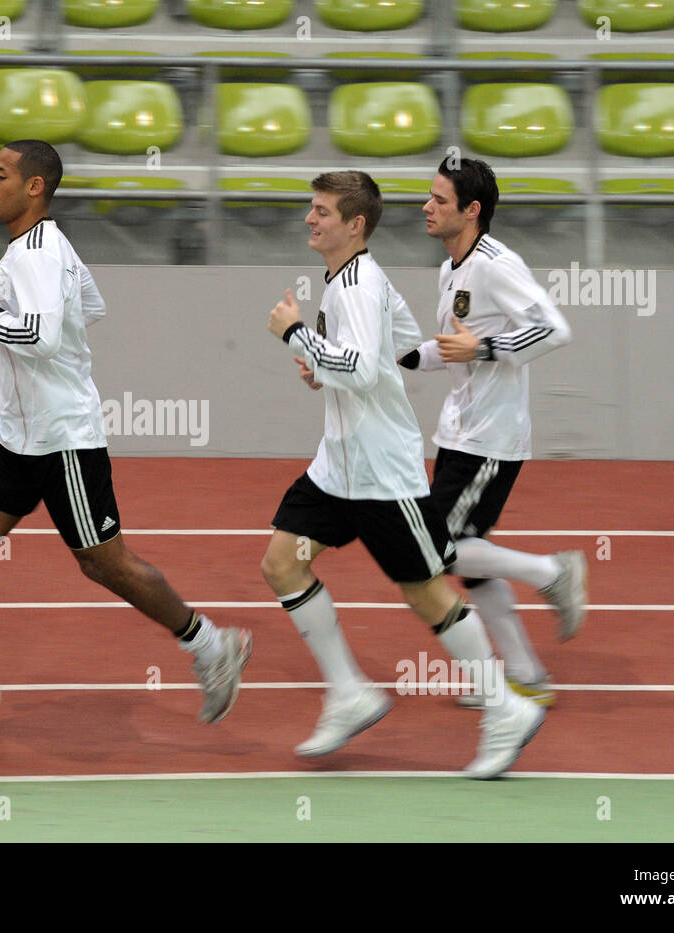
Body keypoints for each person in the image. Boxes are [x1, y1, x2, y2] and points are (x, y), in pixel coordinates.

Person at [0, 140, 252, 736]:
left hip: (62, 435)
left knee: (104, 563)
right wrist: (11, 333)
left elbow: (50, 337)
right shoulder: (41, 247)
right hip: (13, 430)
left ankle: (210, 644)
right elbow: (88, 309)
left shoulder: (39, 253)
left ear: (34, 187)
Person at [259, 170, 544, 779]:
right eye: (311, 210)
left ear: (355, 225)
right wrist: (325, 367)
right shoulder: (349, 280)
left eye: (322, 212)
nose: (310, 219)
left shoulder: (358, 285)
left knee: (428, 593)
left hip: (383, 473)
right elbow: (398, 347)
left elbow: (362, 371)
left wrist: (302, 338)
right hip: (338, 466)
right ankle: (349, 693)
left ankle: (505, 709)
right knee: (283, 561)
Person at [403, 156, 587, 708]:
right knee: (470, 557)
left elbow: (555, 330)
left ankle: (552, 573)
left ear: (472, 210)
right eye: (429, 197)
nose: (426, 207)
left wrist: (485, 348)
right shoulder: (449, 270)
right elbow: (450, 347)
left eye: (439, 199)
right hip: (460, 434)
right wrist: (391, 360)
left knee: (438, 550)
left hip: (491, 438)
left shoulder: (497, 264)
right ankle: (527, 675)